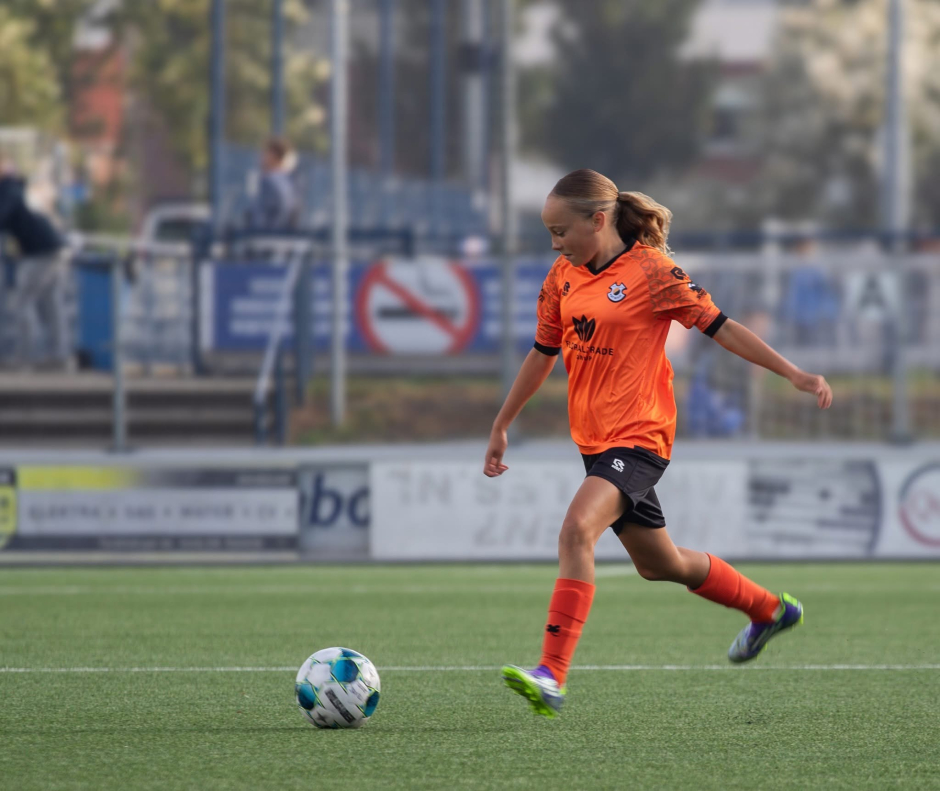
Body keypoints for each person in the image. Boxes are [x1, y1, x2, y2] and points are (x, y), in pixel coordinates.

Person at [484, 169, 832, 718]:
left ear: (598, 220)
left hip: (641, 435)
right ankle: (770, 610)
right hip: (596, 441)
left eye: (560, 230)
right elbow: (542, 351)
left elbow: (722, 326)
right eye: (548, 232)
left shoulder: (652, 271)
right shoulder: (562, 276)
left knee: (577, 530)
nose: (554, 243)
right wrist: (504, 422)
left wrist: (794, 373)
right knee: (660, 563)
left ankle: (551, 672)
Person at [0, 167, 71, 369]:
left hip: (41, 252)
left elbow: (2, 216)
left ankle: (25, 356)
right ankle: (59, 355)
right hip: (54, 247)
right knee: (52, 303)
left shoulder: (8, 191)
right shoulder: (17, 189)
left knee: (23, 302)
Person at [246, 137, 299, 232]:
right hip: (281, 236)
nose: (261, 157)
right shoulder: (287, 181)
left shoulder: (269, 181)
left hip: (267, 238)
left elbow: (260, 219)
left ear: (273, 155)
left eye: (265, 153)